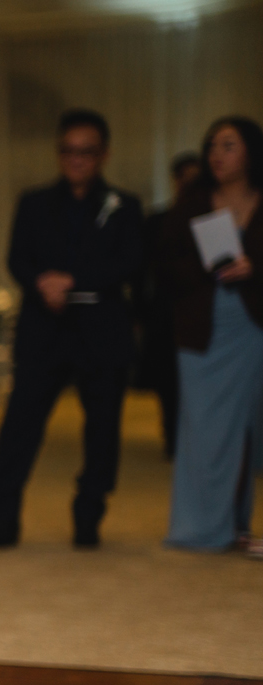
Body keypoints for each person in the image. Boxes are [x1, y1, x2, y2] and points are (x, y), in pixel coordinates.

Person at [0, 109, 143, 549]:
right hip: (44, 328)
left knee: (103, 430)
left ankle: (89, 513)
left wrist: (73, 281)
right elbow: (17, 257)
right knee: (21, 424)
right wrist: (42, 283)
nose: (76, 159)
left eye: (86, 152)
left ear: (103, 154)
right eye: (69, 151)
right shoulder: (34, 202)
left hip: (101, 331)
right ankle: (5, 512)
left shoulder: (124, 205)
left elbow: (131, 262)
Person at [160, 117, 263, 552]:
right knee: (201, 430)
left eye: (228, 145)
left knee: (247, 429)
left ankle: (234, 524)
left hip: (253, 328)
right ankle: (199, 528)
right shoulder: (192, 204)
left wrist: (255, 268)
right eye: (212, 146)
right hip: (202, 330)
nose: (217, 154)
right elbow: (164, 266)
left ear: (251, 152)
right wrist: (208, 265)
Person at [135, 151, 203, 457]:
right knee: (168, 380)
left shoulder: (213, 219)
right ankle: (173, 436)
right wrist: (140, 311)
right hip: (165, 312)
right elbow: (142, 270)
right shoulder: (158, 221)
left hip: (201, 311)